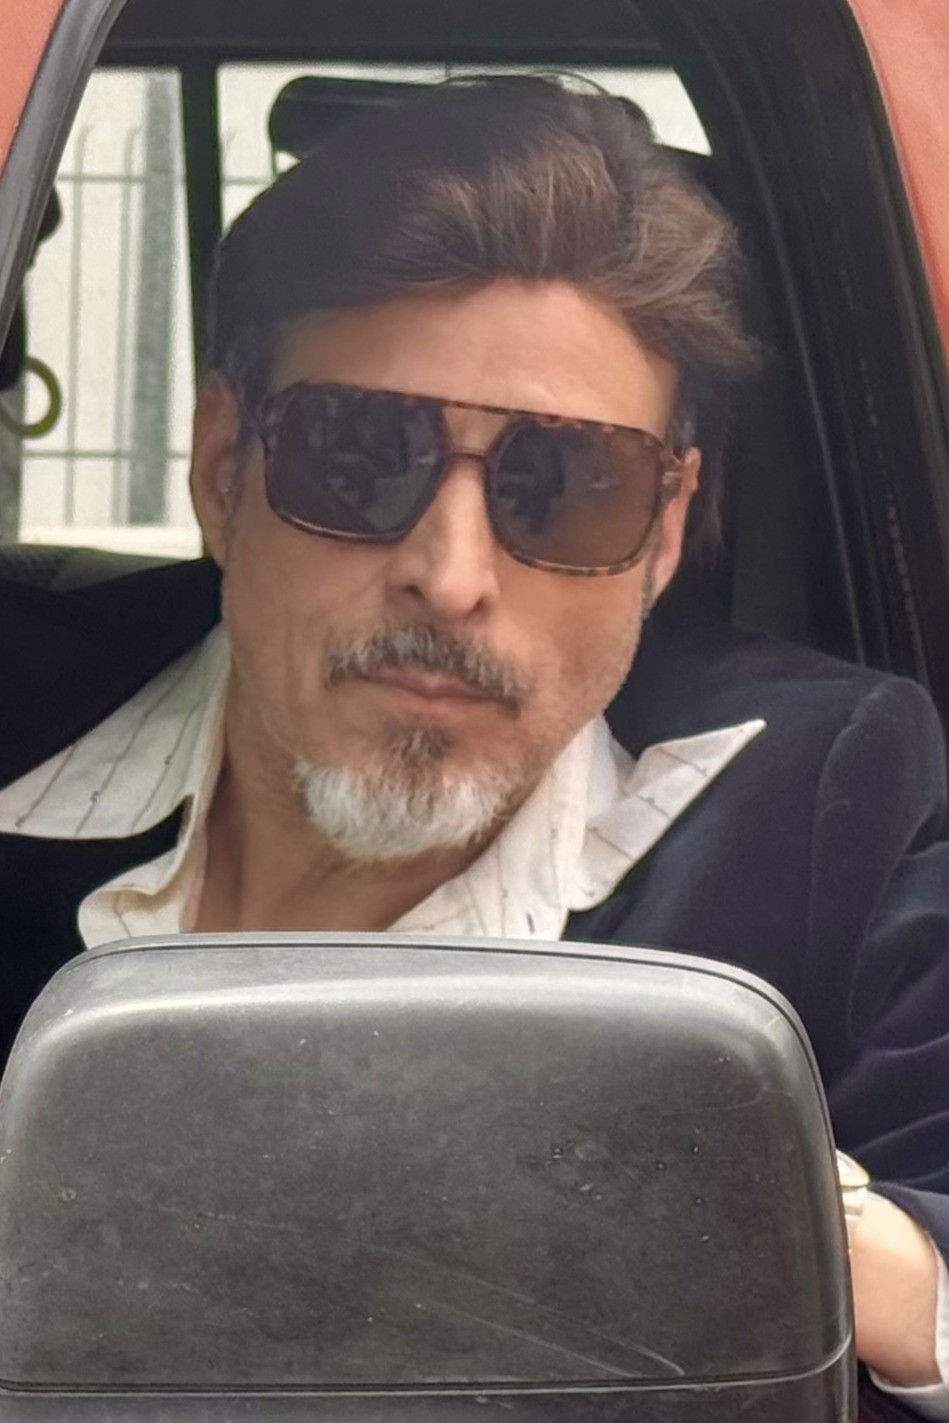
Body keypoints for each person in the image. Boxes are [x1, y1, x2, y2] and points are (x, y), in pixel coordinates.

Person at [1, 76, 947, 1415]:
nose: (450, 579)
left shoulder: (826, 803)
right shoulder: (22, 715)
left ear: (664, 531)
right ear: (223, 464)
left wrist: (770, 1212)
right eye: (357, 454)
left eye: (565, 484)